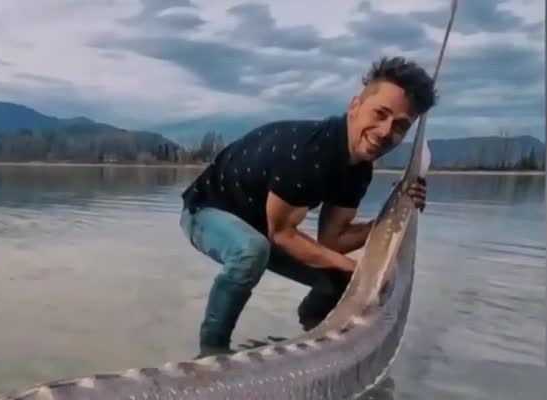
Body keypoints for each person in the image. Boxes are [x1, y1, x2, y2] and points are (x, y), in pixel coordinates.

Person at [179, 56, 437, 356]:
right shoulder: (309, 151)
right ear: (355, 106)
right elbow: (281, 235)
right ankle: (211, 353)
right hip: (206, 211)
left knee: (342, 279)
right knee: (250, 251)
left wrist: (396, 214)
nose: (384, 131)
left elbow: (333, 241)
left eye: (400, 126)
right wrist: (360, 271)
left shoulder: (359, 171)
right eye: (380, 114)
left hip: (263, 228)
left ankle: (312, 332)